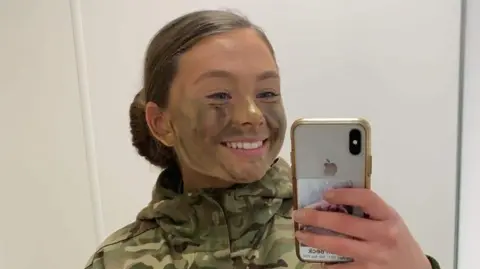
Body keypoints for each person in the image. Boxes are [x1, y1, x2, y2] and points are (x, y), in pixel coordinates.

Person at [84, 9, 441, 269]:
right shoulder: (116, 261)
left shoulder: (349, 238)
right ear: (161, 123)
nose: (253, 116)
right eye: (219, 95)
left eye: (268, 93)